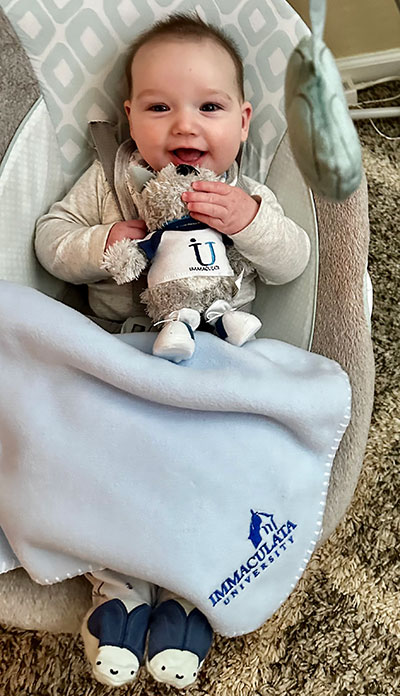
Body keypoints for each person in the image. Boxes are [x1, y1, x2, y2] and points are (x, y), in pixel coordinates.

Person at [35, 12, 311, 690]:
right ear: (130, 118)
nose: (185, 127)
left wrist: (250, 225)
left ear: (243, 122)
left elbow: (294, 261)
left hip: (221, 358)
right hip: (125, 352)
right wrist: (105, 243)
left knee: (221, 466)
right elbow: (51, 238)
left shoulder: (244, 191)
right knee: (106, 460)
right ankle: (119, 586)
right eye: (160, 107)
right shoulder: (112, 179)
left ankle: (190, 589)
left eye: (209, 108)